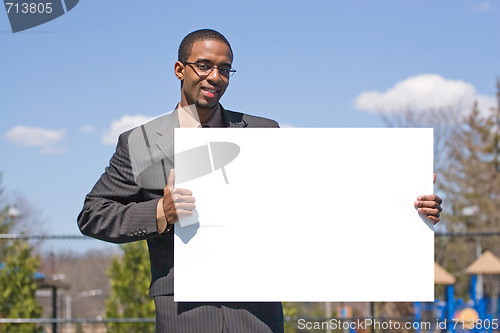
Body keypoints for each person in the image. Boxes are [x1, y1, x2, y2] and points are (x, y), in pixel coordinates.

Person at [77, 29, 443, 333]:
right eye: (204, 66)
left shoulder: (264, 132)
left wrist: (406, 203)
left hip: (257, 313)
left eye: (225, 69)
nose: (215, 77)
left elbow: (316, 200)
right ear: (179, 69)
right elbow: (92, 215)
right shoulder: (142, 141)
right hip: (184, 312)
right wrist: (160, 211)